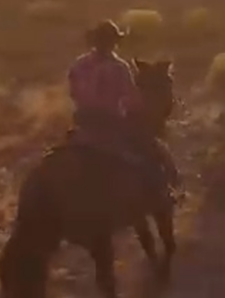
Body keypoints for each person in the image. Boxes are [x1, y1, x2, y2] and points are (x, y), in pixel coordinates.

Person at [67, 20, 176, 196]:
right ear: (114, 43)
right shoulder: (119, 68)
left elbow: (73, 92)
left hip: (82, 120)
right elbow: (133, 99)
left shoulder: (79, 65)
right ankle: (162, 194)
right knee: (149, 152)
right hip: (111, 122)